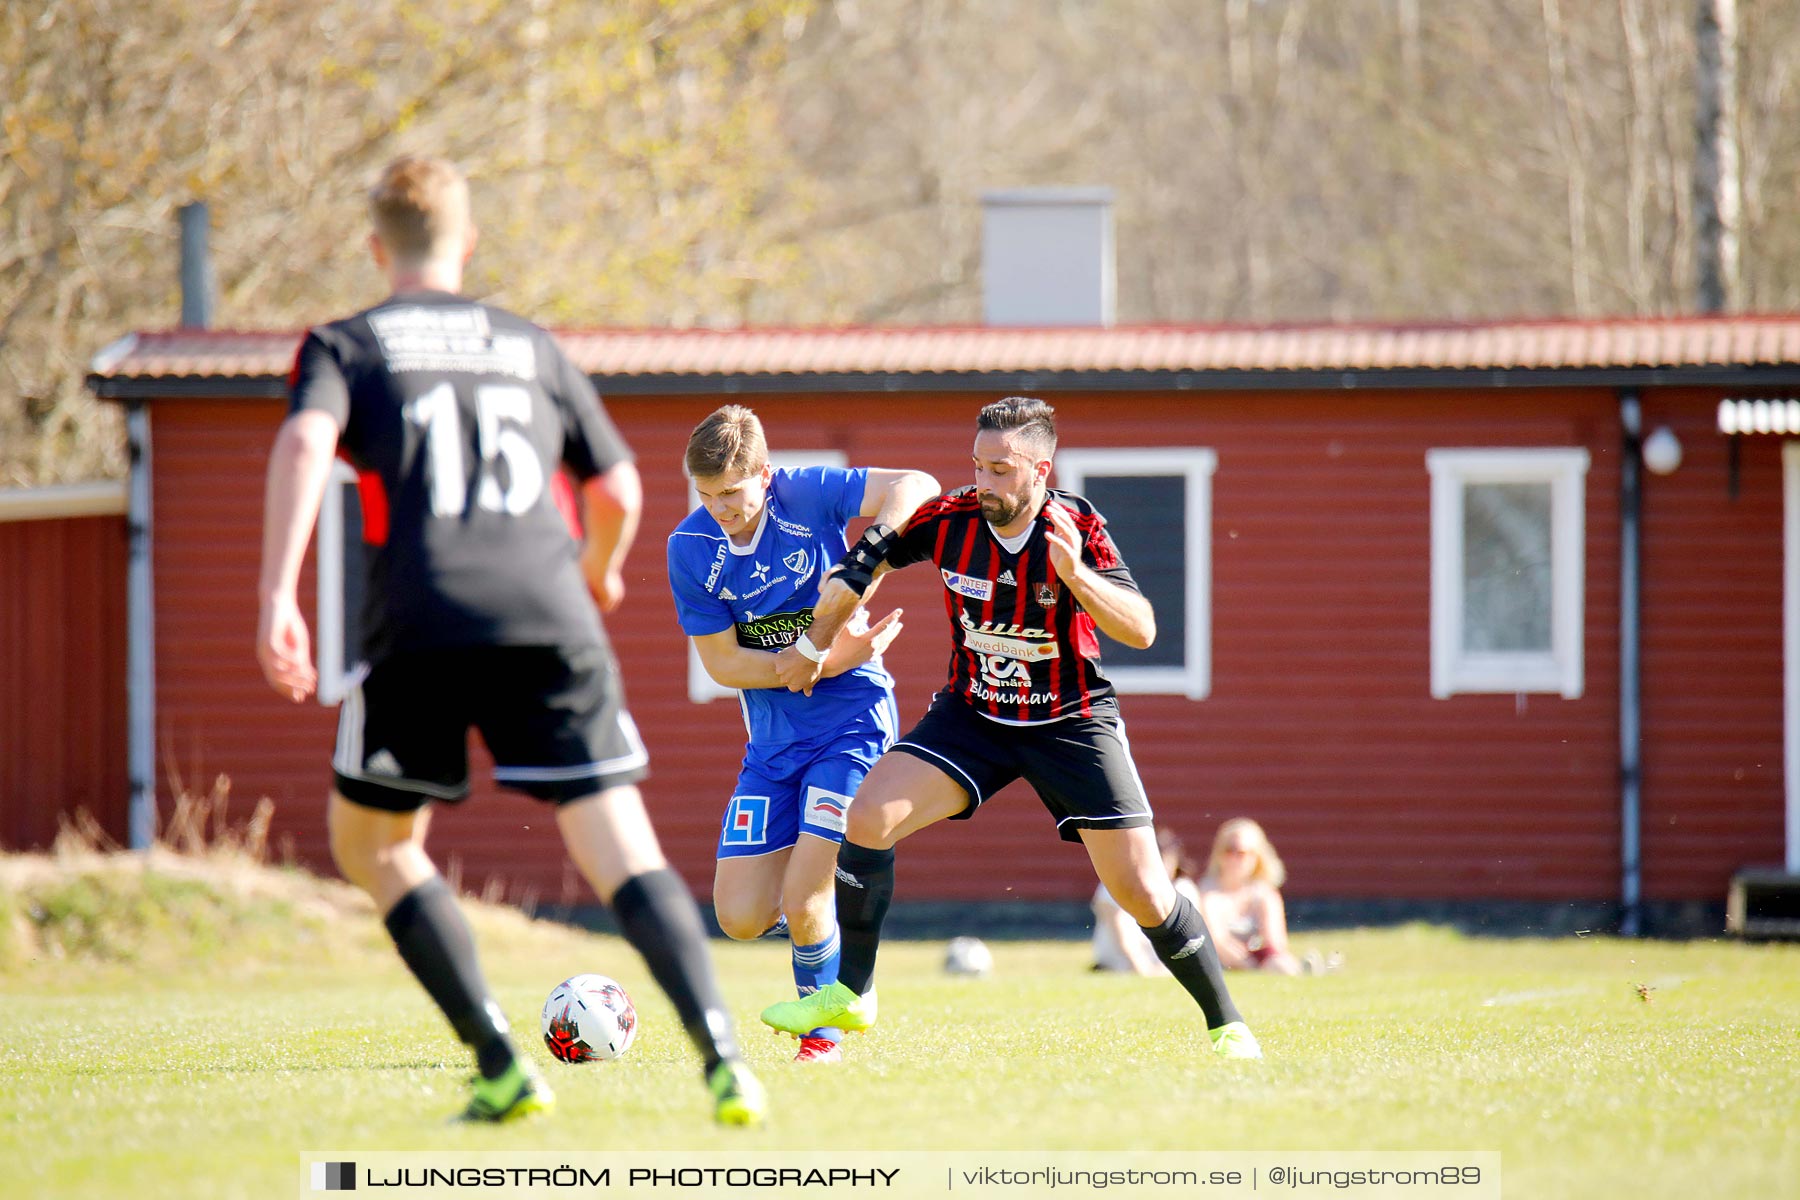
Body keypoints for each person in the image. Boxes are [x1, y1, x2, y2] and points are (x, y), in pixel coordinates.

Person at [255, 154, 764, 1125]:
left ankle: (496, 1060)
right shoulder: (529, 344)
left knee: (373, 843)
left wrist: (279, 591)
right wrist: (600, 571)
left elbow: (304, 445)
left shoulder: (345, 343)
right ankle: (726, 1058)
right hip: (547, 612)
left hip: (421, 621)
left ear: (376, 247)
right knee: (620, 846)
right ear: (469, 243)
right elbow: (618, 490)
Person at [758, 396, 1262, 1059]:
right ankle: (854, 994)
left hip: (1070, 722)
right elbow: (874, 559)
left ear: (1040, 469)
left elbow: (1141, 629)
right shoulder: (953, 519)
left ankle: (1229, 1026)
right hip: (974, 716)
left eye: (1000, 469)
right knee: (869, 817)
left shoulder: (1077, 523)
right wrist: (839, 607)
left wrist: (1077, 576)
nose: (984, 482)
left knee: (1142, 890)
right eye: (977, 465)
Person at [666, 406, 937, 1064]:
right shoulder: (690, 547)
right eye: (706, 496)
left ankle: (825, 1034)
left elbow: (919, 484)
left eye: (731, 492)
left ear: (764, 473)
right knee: (738, 916)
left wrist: (866, 557)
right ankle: (822, 929)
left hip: (851, 727)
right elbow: (724, 663)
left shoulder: (808, 492)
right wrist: (817, 656)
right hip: (772, 748)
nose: (720, 510)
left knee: (805, 894)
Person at [1198, 817, 1304, 975]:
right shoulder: (1208, 894)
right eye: (1229, 850)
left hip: (1260, 959)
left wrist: (1256, 958)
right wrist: (1247, 965)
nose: (1234, 858)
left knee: (1283, 965)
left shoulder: (1264, 894)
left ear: (1257, 857)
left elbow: (1275, 942)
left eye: (1241, 852)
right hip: (1219, 963)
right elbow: (1216, 941)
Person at [1092, 829, 1201, 975]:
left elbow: (1189, 937)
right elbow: (1122, 932)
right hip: (1117, 967)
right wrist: (1144, 969)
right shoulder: (1114, 885)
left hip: (1167, 969)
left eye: (1164, 858)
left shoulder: (1183, 889)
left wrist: (1167, 970)